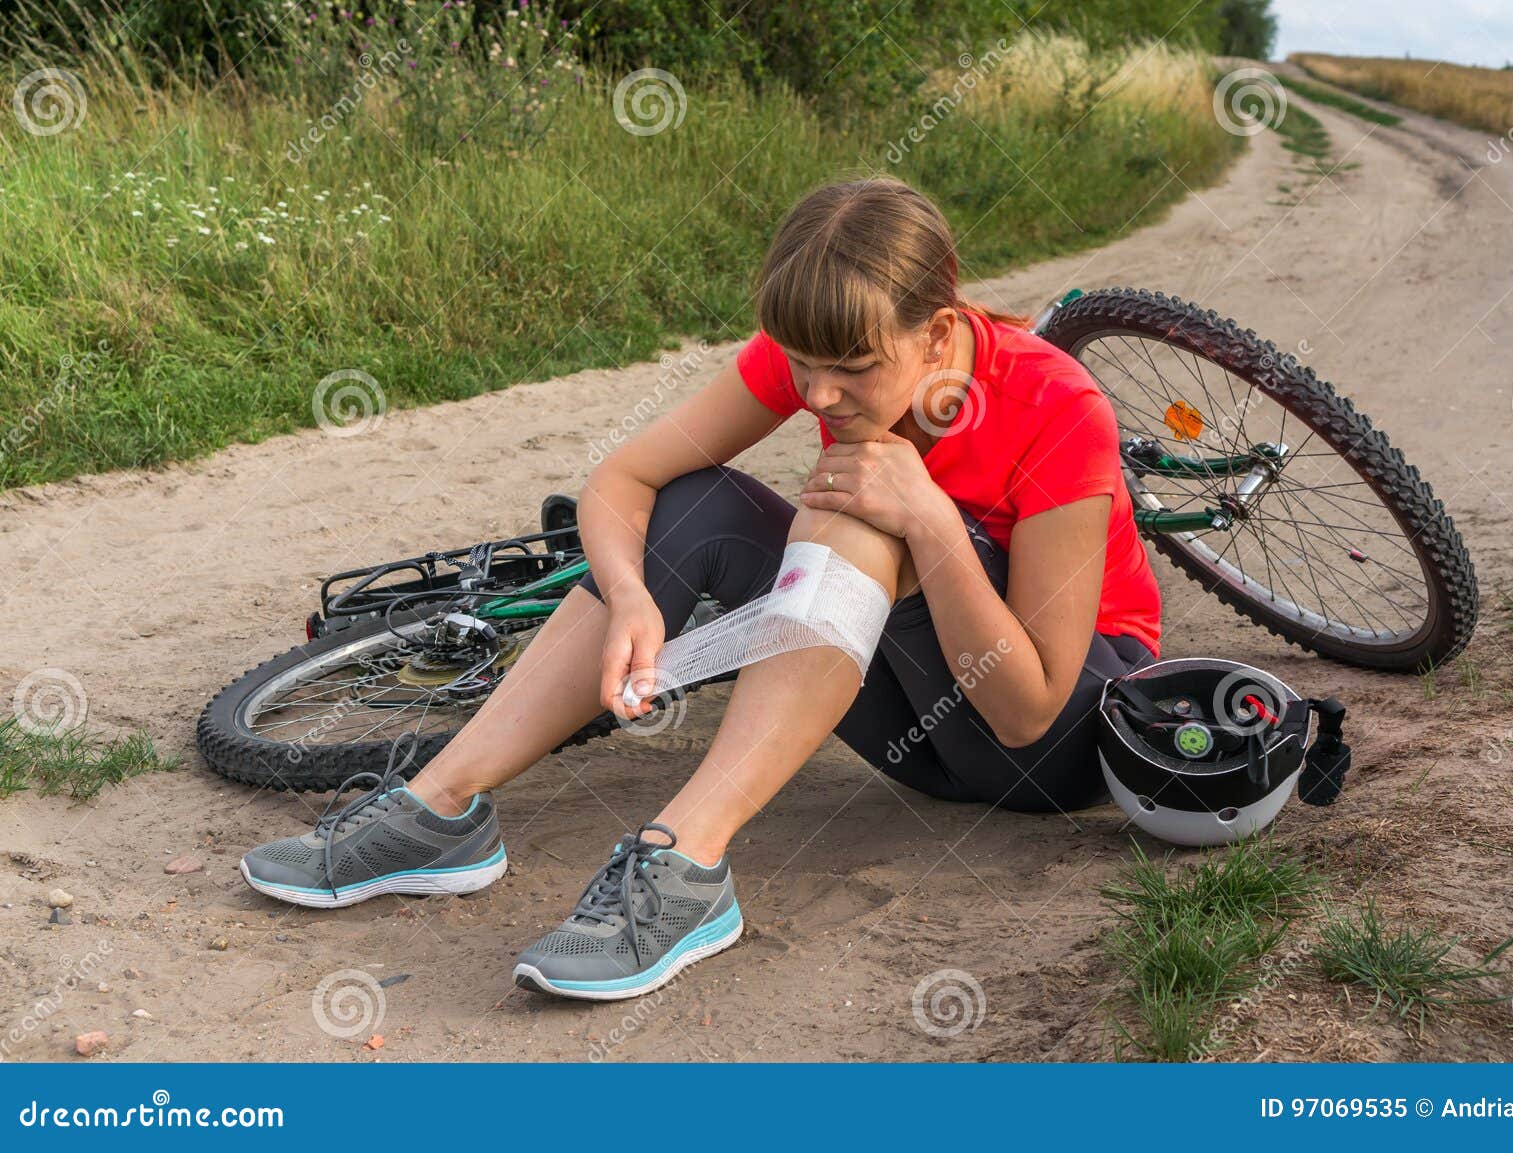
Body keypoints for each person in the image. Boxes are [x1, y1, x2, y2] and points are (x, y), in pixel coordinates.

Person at [239, 176, 1162, 1001]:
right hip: (917, 726)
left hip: (1051, 744)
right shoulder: (822, 346)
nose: (821, 393)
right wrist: (634, 596)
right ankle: (439, 809)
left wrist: (925, 517)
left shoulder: (1057, 405)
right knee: (699, 497)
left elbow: (1030, 708)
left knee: (861, 501)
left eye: (853, 368)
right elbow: (621, 482)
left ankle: (684, 865)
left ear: (939, 328)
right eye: (804, 366)